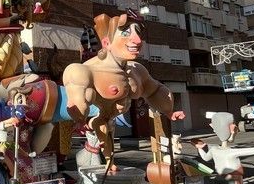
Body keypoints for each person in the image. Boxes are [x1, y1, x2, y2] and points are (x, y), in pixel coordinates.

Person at [63, 9, 185, 166]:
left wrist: (169, 110)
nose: (137, 40)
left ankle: (108, 160)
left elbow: (154, 90)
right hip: (96, 124)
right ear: (107, 43)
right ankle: (103, 154)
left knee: (106, 131)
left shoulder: (137, 70)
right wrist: (79, 118)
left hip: (107, 121)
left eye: (138, 32)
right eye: (126, 33)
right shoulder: (86, 70)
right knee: (101, 125)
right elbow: (77, 92)